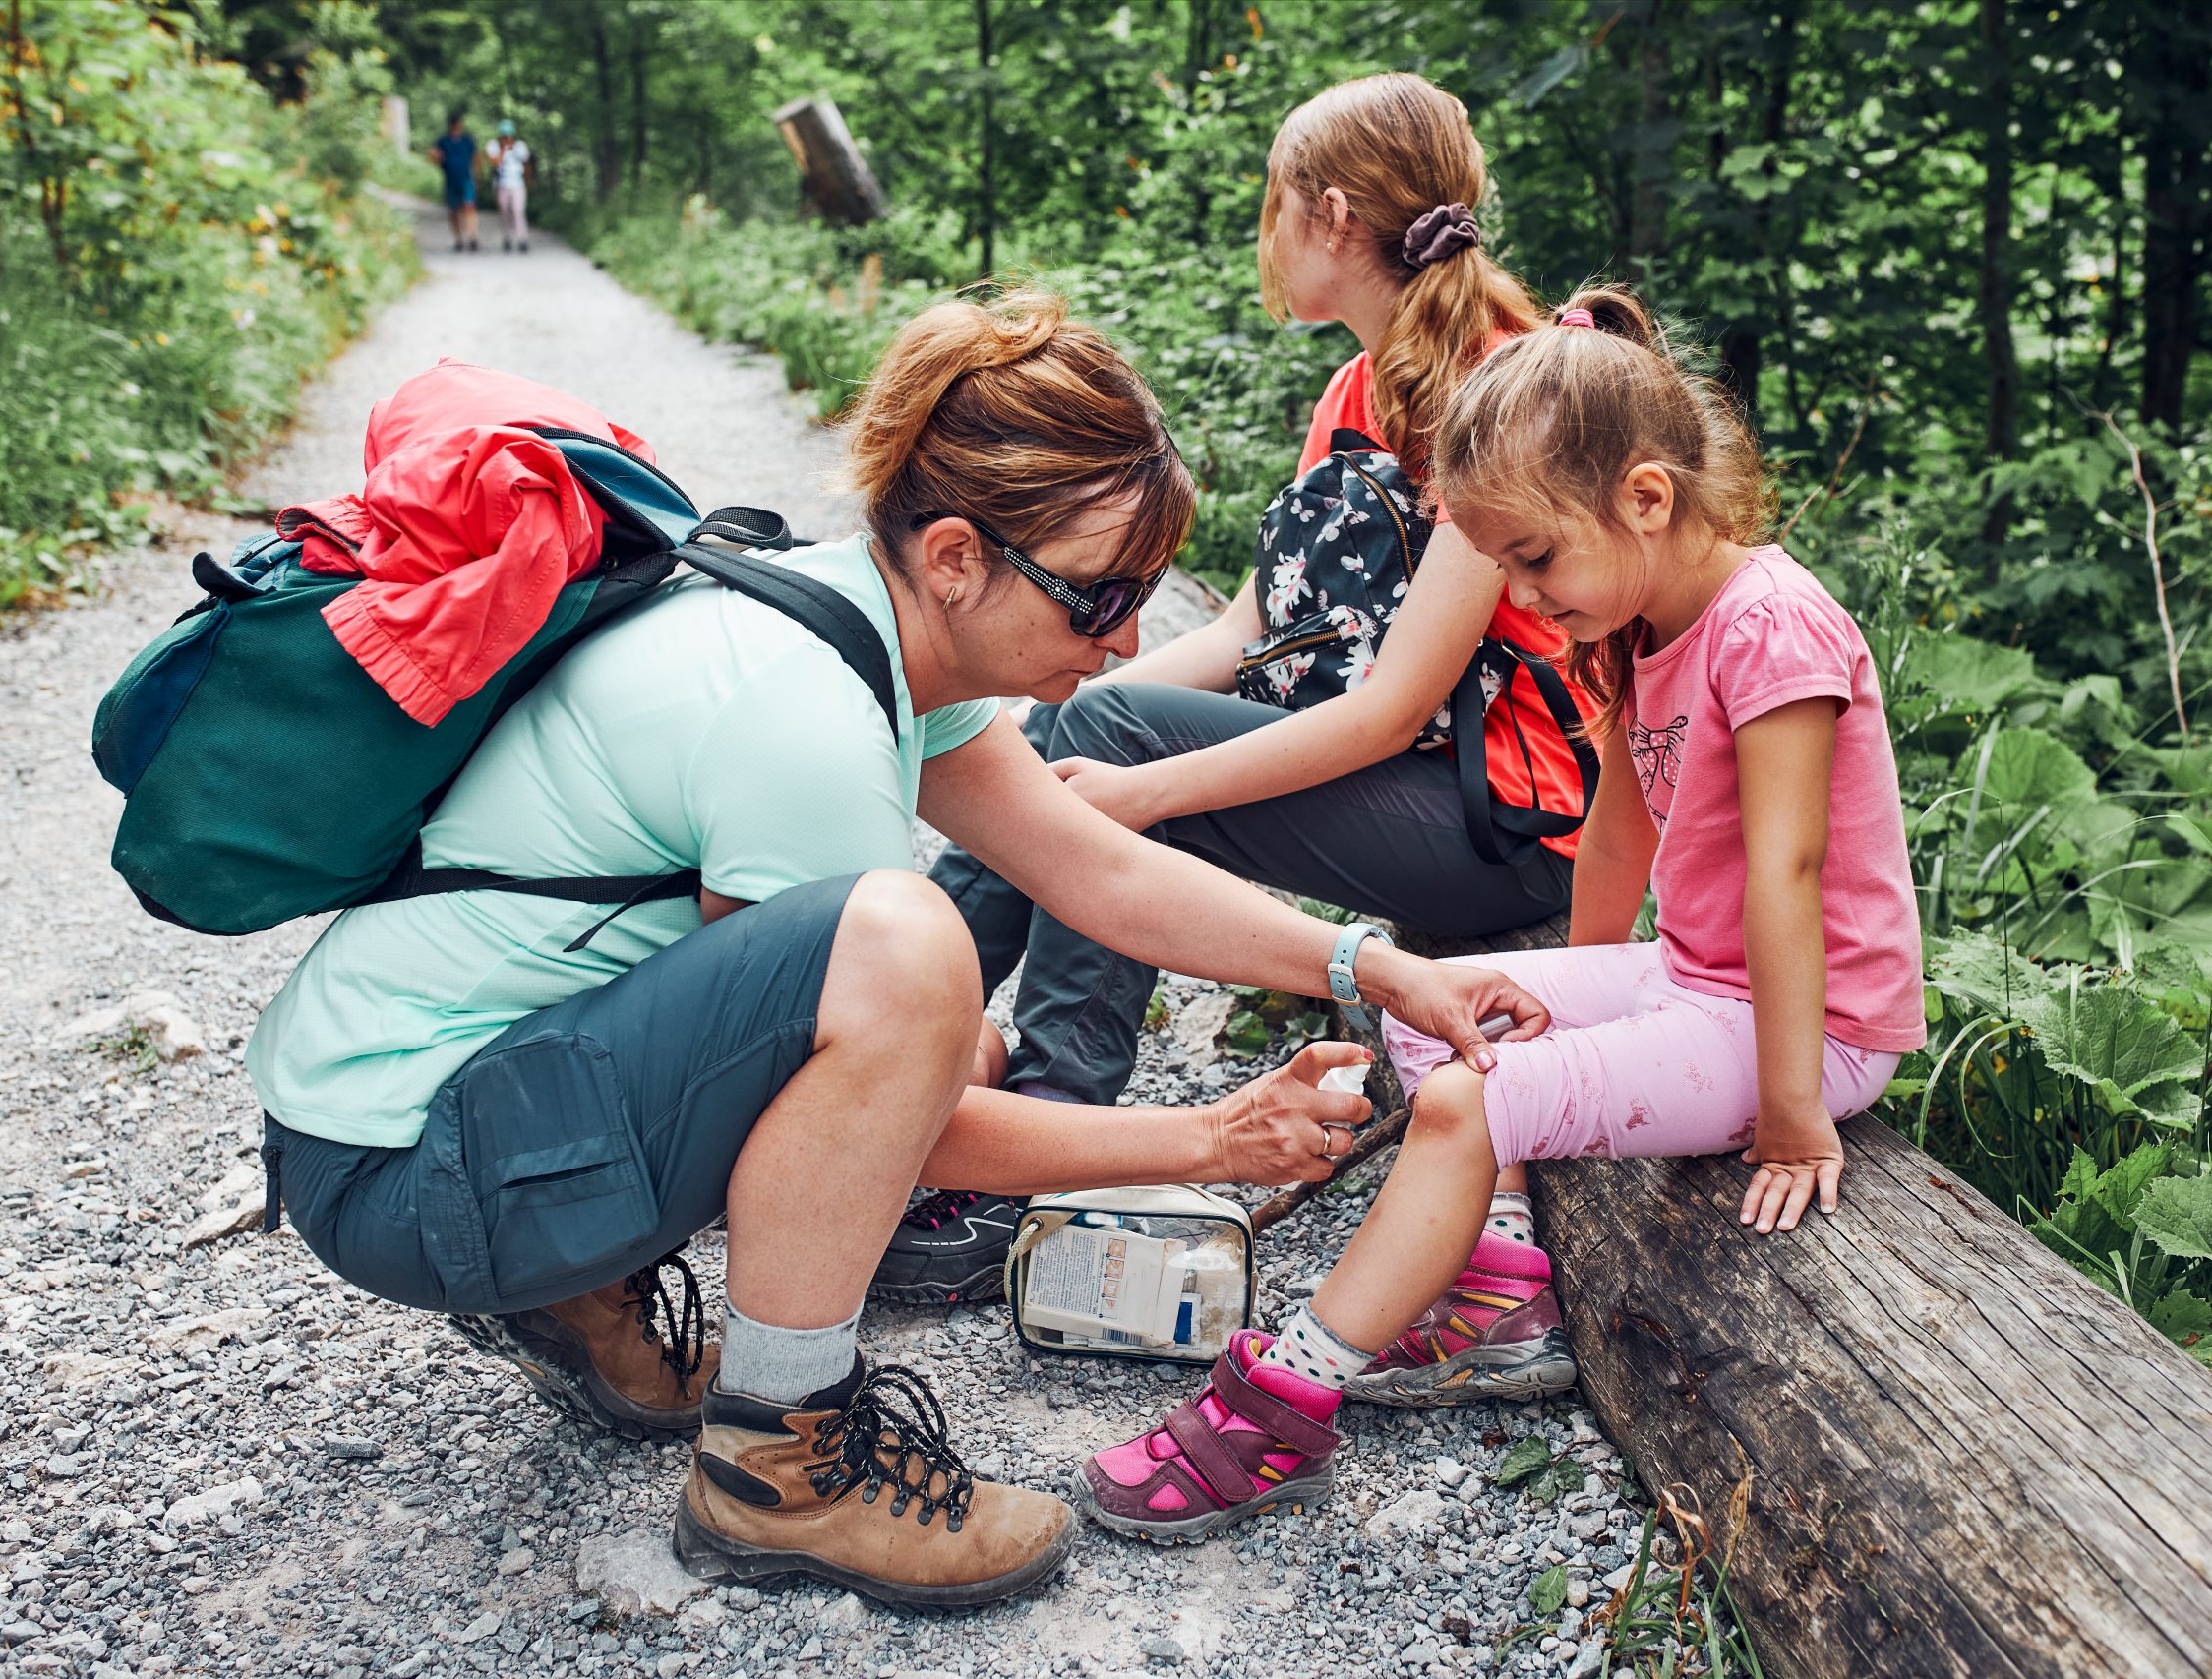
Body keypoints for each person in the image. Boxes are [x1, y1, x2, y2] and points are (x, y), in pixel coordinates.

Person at [246, 292, 1547, 1606]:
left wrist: (1368, 967)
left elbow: (1099, 870)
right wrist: (1207, 1141)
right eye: (1099, 595)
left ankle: (576, 1287)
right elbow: (890, 1137)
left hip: (416, 1115)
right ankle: (780, 1463)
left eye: (1145, 598)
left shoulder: (843, 618)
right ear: (954, 557)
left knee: (941, 1018)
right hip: (413, 1175)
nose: (1122, 643)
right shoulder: (805, 715)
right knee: (909, 949)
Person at [1074, 287, 1928, 1543]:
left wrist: (1796, 1118)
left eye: (1533, 558)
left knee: (1477, 1098)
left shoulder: (1774, 630)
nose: (1524, 591)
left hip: (1819, 1031)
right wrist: (1568, 1002)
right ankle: (1498, 1288)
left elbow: (1784, 877)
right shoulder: (1644, 621)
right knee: (1449, 1005)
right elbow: (1623, 829)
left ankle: (1286, 1398)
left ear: (1646, 497)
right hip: (1701, 983)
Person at [907, 73, 1596, 1308]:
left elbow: (1390, 709)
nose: (1263, 233)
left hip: (1500, 824)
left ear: (1329, 216)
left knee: (1111, 744)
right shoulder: (1358, 384)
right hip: (1400, 779)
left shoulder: (1510, 391)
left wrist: (1123, 792)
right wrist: (1053, 714)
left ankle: (1040, 1127)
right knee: (1080, 713)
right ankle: (913, 1037)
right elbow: (1253, 627)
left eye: (1271, 205)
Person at [429, 112, 478, 252]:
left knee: (470, 207)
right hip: (450, 180)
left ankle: (472, 236)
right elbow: (433, 157)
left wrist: (477, 177)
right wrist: (436, 158)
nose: (456, 126)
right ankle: (459, 239)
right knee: (454, 210)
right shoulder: (443, 141)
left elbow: (475, 157)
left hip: (467, 179)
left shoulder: (468, 140)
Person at [486, 119, 531, 253]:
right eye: (504, 136)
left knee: (518, 211)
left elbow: (526, 162)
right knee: (505, 212)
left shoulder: (520, 146)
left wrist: (529, 180)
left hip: (518, 184)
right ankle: (507, 238)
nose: (506, 138)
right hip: (501, 184)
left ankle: (522, 238)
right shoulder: (494, 146)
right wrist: (502, 150)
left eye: (508, 136)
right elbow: (494, 163)